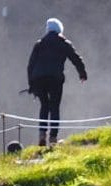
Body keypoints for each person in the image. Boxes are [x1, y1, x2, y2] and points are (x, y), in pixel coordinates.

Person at [26, 19, 89, 147]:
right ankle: (53, 138)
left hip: (39, 79)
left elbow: (30, 65)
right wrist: (82, 73)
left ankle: (42, 135)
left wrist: (31, 85)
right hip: (55, 79)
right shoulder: (63, 43)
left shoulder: (39, 44)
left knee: (44, 105)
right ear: (59, 30)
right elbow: (76, 58)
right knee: (54, 106)